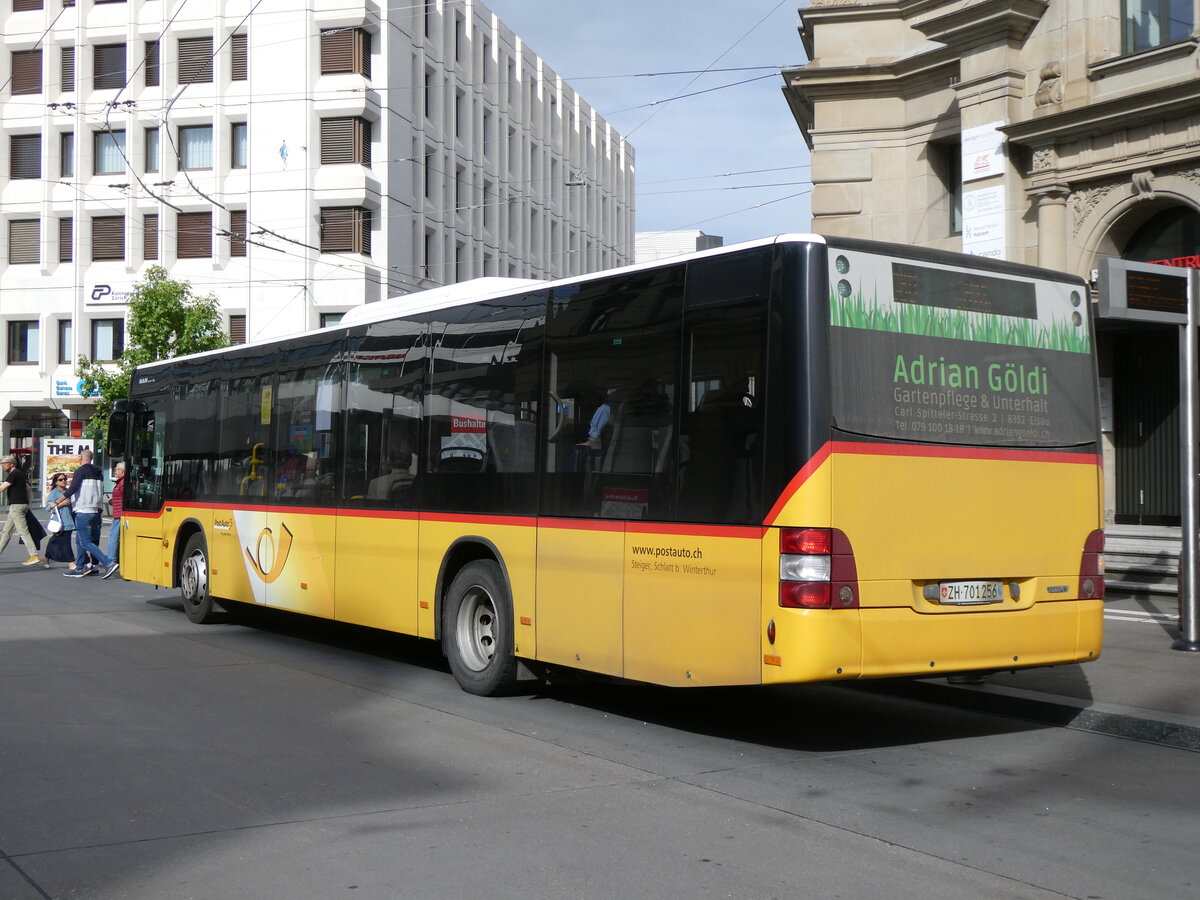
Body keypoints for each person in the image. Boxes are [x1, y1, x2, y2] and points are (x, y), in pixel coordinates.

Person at [53, 449, 119, 579]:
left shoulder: (80, 471)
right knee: (84, 539)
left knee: (85, 541)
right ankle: (84, 566)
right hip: (97, 509)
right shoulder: (99, 472)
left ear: (80, 458)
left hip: (84, 509)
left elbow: (73, 488)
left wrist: (57, 502)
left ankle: (108, 562)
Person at [0, 455, 42, 566]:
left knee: (23, 531)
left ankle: (33, 555)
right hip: (20, 506)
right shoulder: (20, 474)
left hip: (16, 506)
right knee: (6, 532)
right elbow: (28, 489)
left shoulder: (14, 474)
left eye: (4, 463)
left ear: (11, 463)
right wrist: (28, 504)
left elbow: (1, 488)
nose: (2, 465)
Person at [42, 472, 77, 569]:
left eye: (65, 479)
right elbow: (48, 507)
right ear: (56, 482)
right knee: (65, 543)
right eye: (60, 480)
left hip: (70, 521)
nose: (63, 481)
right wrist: (62, 504)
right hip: (60, 521)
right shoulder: (54, 493)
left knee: (54, 541)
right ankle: (71, 563)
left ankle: (46, 558)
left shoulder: (69, 491)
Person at [106, 462, 125, 566]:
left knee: (113, 537)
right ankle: (116, 558)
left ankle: (111, 560)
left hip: (119, 514)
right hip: (119, 513)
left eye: (116, 469)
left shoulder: (122, 483)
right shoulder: (121, 482)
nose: (115, 471)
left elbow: (124, 499)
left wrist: (111, 501)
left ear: (121, 471)